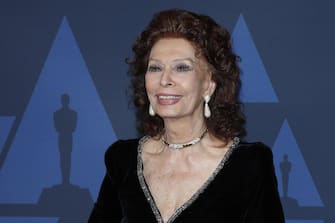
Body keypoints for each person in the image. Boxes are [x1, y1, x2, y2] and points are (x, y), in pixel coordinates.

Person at [88, 9, 285, 223]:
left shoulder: (249, 165)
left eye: (181, 67)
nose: (165, 79)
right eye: (155, 68)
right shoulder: (122, 160)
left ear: (209, 84)